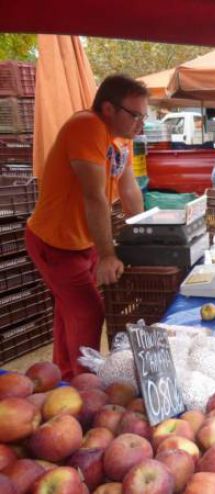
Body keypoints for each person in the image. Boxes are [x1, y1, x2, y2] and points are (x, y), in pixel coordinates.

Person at [25, 74, 147, 380]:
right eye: (135, 115)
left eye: (143, 116)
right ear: (108, 108)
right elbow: (94, 197)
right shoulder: (87, 126)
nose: (140, 124)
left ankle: (63, 377)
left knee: (70, 310)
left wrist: (146, 232)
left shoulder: (121, 140)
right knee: (88, 310)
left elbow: (129, 190)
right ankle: (85, 382)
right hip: (55, 241)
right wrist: (107, 255)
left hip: (83, 241)